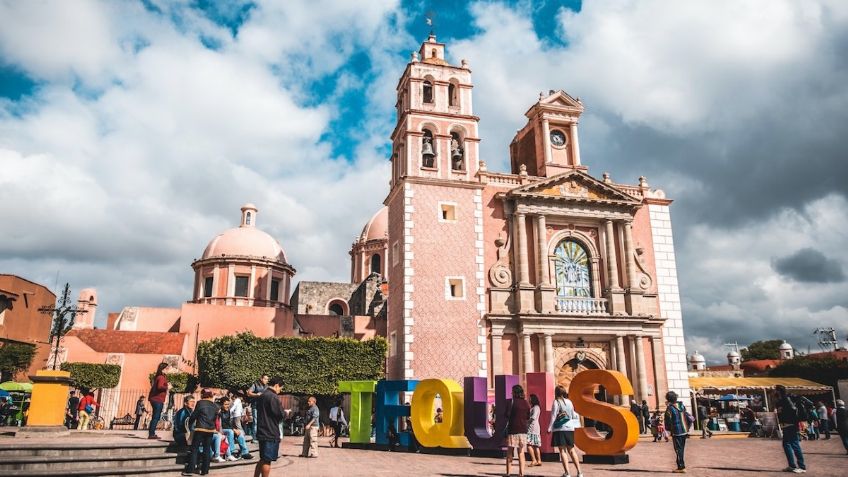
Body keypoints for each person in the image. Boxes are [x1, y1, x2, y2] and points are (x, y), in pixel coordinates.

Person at [548, 385, 584, 477]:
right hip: (569, 428)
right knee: (572, 450)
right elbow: (572, 414)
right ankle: (580, 472)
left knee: (562, 451)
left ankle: (567, 473)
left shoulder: (556, 402)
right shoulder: (569, 402)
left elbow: (553, 416)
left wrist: (550, 428)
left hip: (560, 428)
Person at [254, 377, 285, 477]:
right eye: (280, 388)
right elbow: (280, 414)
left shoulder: (262, 395)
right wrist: (286, 413)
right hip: (270, 431)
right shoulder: (273, 396)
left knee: (263, 458)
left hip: (262, 429)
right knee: (267, 460)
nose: (280, 391)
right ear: (276, 386)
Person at [186, 389, 218, 476]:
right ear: (210, 396)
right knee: (207, 449)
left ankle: (190, 470)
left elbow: (194, 415)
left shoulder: (200, 403)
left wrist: (190, 424)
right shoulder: (215, 406)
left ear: (203, 396)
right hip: (210, 430)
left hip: (200, 428)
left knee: (194, 449)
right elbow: (215, 418)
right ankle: (205, 470)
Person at [776, 384, 806, 473]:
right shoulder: (781, 400)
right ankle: (792, 465)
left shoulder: (786, 399)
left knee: (794, 444)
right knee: (786, 444)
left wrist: (789, 420)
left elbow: (793, 410)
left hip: (791, 424)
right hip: (786, 424)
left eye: (775, 390)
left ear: (778, 391)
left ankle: (802, 466)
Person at [504, 384, 530, 477]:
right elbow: (528, 416)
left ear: (515, 392)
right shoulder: (526, 403)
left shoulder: (511, 402)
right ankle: (521, 473)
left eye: (512, 391)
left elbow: (506, 415)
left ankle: (508, 473)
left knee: (510, 452)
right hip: (523, 430)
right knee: (521, 452)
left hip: (512, 430)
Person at [216, 396, 253, 461]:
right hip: (221, 430)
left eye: (228, 404)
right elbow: (222, 425)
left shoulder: (228, 412)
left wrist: (234, 429)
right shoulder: (219, 412)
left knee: (240, 433)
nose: (227, 406)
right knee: (230, 432)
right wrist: (233, 429)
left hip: (228, 428)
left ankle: (245, 452)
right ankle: (231, 452)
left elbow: (229, 423)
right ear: (221, 405)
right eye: (225, 404)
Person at [664, 391, 691, 473]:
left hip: (677, 431)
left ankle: (681, 467)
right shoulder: (681, 405)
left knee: (678, 449)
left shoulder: (670, 408)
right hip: (684, 430)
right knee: (681, 449)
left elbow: (667, 421)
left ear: (668, 399)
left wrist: (668, 431)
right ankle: (680, 465)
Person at [148, 362, 172, 440]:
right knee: (156, 417)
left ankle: (151, 433)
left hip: (155, 399)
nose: (168, 370)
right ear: (163, 369)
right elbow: (160, 387)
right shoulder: (161, 377)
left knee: (155, 416)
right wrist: (167, 386)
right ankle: (151, 434)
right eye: (167, 368)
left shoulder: (160, 377)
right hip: (157, 399)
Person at [526, 394, 542, 467]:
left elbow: (533, 417)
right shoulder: (535, 407)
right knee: (536, 446)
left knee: (529, 444)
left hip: (532, 428)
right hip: (535, 428)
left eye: (530, 398)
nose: (529, 400)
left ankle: (534, 460)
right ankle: (539, 460)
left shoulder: (535, 408)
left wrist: (526, 421)